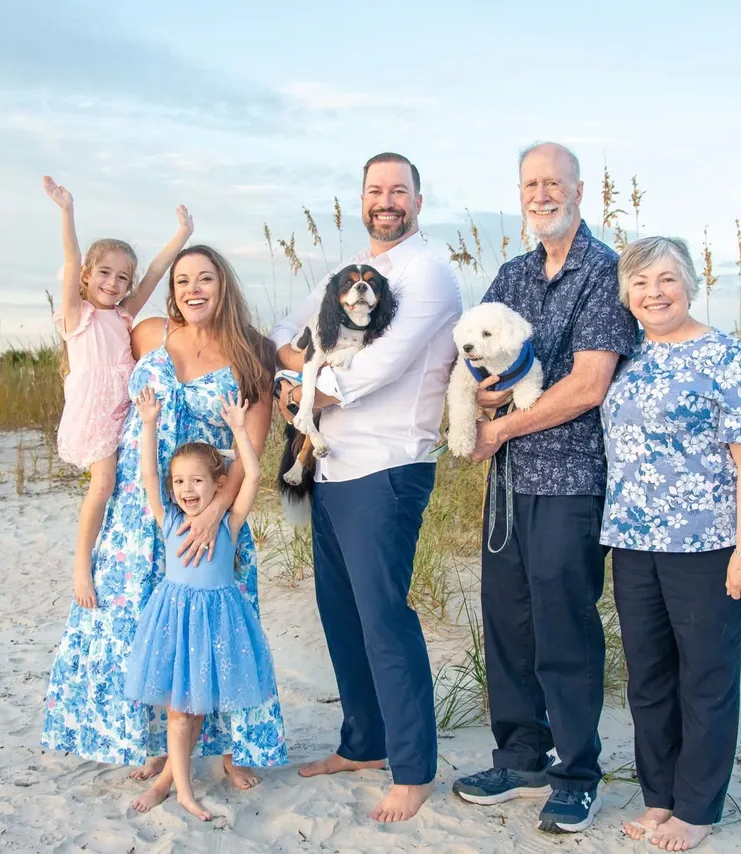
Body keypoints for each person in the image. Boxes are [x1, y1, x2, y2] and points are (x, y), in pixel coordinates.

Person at [40, 244, 287, 789]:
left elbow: (254, 447)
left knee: (218, 629)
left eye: (204, 279)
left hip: (207, 510)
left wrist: (215, 514)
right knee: (138, 627)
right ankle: (155, 743)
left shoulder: (251, 354)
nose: (193, 290)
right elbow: (94, 346)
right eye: (182, 282)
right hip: (139, 504)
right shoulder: (148, 333)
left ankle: (229, 747)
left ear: (223, 286)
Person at [268, 152, 462, 822]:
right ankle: (364, 742)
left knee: (383, 617)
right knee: (341, 613)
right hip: (331, 462)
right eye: (375, 190)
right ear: (361, 199)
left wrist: (306, 380)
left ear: (417, 198)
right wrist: (296, 375)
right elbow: (282, 339)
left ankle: (413, 768)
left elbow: (377, 368)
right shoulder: (343, 272)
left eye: (399, 190)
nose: (387, 200)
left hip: (388, 466)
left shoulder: (427, 273)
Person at [451, 142, 637, 834]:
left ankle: (576, 772)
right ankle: (522, 755)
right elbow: (477, 356)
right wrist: (483, 403)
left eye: (554, 182)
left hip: (571, 478)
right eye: (531, 183)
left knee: (564, 627)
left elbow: (590, 385)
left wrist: (498, 430)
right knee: (508, 621)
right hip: (508, 485)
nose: (542, 193)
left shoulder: (605, 272)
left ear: (580, 191)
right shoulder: (512, 272)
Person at [601, 236, 741, 851]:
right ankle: (660, 798)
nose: (654, 293)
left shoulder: (728, 358)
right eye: (641, 283)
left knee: (706, 677)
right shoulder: (628, 360)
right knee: (647, 676)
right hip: (631, 541)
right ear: (627, 294)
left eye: (667, 279)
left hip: (705, 545)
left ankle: (698, 808)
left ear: (690, 284)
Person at [123, 388, 281, 819]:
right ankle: (180, 790)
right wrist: (150, 423)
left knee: (193, 714)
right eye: (180, 481)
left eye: (197, 480)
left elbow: (251, 476)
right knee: (179, 715)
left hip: (217, 622)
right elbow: (148, 478)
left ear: (216, 484)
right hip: (174, 622)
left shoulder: (229, 522)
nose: (187, 489)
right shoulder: (170, 519)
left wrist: (238, 430)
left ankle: (169, 780)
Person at [42, 175, 193, 610]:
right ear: (88, 277)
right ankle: (80, 566)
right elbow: (71, 259)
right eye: (104, 273)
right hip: (95, 414)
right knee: (103, 483)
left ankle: (127, 554)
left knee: (129, 486)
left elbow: (155, 274)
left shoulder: (124, 316)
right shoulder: (78, 315)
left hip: (126, 413)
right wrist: (67, 210)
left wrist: (182, 235)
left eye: (121, 278)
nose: (113, 282)